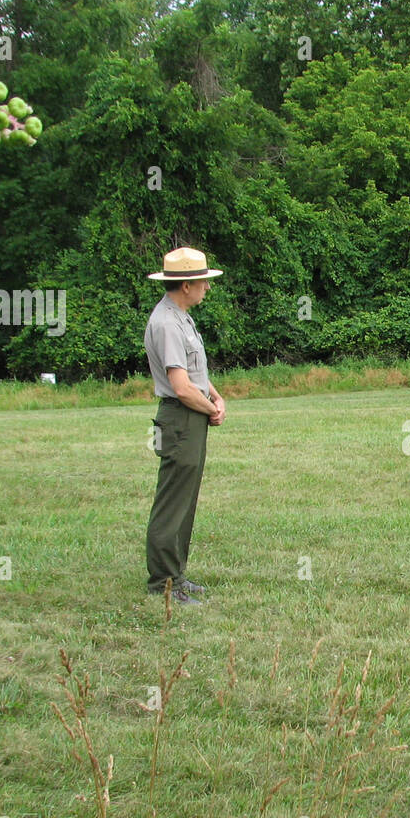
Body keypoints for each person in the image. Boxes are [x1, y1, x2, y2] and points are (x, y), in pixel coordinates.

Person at [144, 247, 227, 605]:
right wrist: (210, 408)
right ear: (187, 285)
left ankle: (176, 575)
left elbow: (196, 374)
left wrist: (216, 396)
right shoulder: (165, 323)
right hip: (180, 417)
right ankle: (163, 582)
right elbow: (180, 386)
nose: (207, 288)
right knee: (173, 502)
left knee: (186, 501)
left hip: (190, 415)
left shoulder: (180, 317)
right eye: (203, 282)